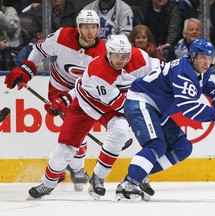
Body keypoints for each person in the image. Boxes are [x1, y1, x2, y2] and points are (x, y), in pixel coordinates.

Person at [22, 34, 160, 200]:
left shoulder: (140, 58)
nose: (121, 60)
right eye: (116, 55)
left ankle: (98, 177)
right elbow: (121, 104)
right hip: (85, 104)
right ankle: (48, 184)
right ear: (108, 53)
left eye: (125, 56)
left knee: (121, 131)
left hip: (112, 105)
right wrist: (66, 99)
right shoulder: (98, 71)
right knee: (64, 150)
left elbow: (160, 70)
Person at [115, 38, 215, 201]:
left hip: (158, 109)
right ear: (192, 57)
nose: (206, 62)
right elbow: (188, 108)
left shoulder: (199, 69)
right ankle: (128, 184)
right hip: (141, 101)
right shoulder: (182, 73)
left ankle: (140, 173)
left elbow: (202, 83)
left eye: (209, 58)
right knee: (156, 144)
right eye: (202, 57)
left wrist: (214, 90)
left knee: (182, 147)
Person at [4, 9, 106, 191]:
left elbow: (89, 85)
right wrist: (27, 69)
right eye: (86, 27)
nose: (90, 32)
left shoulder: (102, 53)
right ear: (78, 27)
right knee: (75, 128)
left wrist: (68, 100)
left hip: (82, 92)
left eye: (94, 27)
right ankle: (77, 168)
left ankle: (75, 168)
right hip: (58, 88)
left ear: (98, 28)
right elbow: (39, 49)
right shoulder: (62, 36)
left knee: (76, 128)